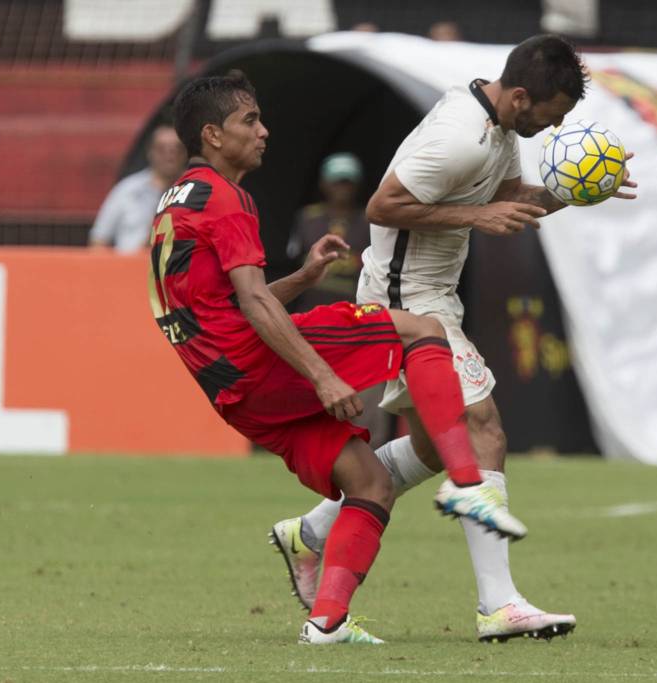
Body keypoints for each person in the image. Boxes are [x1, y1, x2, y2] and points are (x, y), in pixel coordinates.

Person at [272, 34, 637, 643]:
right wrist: (476, 217)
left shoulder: (498, 130)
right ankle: (498, 604)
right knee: (484, 428)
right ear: (521, 96)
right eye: (555, 114)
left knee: (443, 448)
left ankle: (309, 532)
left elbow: (506, 200)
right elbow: (382, 207)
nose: (557, 127)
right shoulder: (458, 136)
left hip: (434, 299)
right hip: (405, 302)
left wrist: (577, 190)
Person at [151, 72, 527, 645]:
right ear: (212, 134)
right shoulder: (226, 198)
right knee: (421, 328)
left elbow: (222, 305)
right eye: (248, 121)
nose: (263, 131)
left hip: (228, 387)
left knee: (370, 483)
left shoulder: (173, 202)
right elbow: (251, 303)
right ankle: (467, 483)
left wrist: (303, 278)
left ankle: (326, 621)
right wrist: (322, 376)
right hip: (256, 360)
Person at [286, 152, 391, 447]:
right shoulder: (308, 219)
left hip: (360, 319)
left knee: (368, 392)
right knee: (312, 387)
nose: (342, 188)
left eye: (347, 182)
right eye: (337, 182)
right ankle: (310, 445)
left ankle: (371, 449)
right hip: (315, 317)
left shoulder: (371, 221)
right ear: (324, 184)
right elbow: (293, 264)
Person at [91, 124, 186, 252]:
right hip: (129, 267)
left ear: (186, 153)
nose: (170, 155)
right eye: (162, 149)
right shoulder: (127, 190)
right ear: (150, 152)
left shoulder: (195, 191)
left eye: (176, 149)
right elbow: (98, 241)